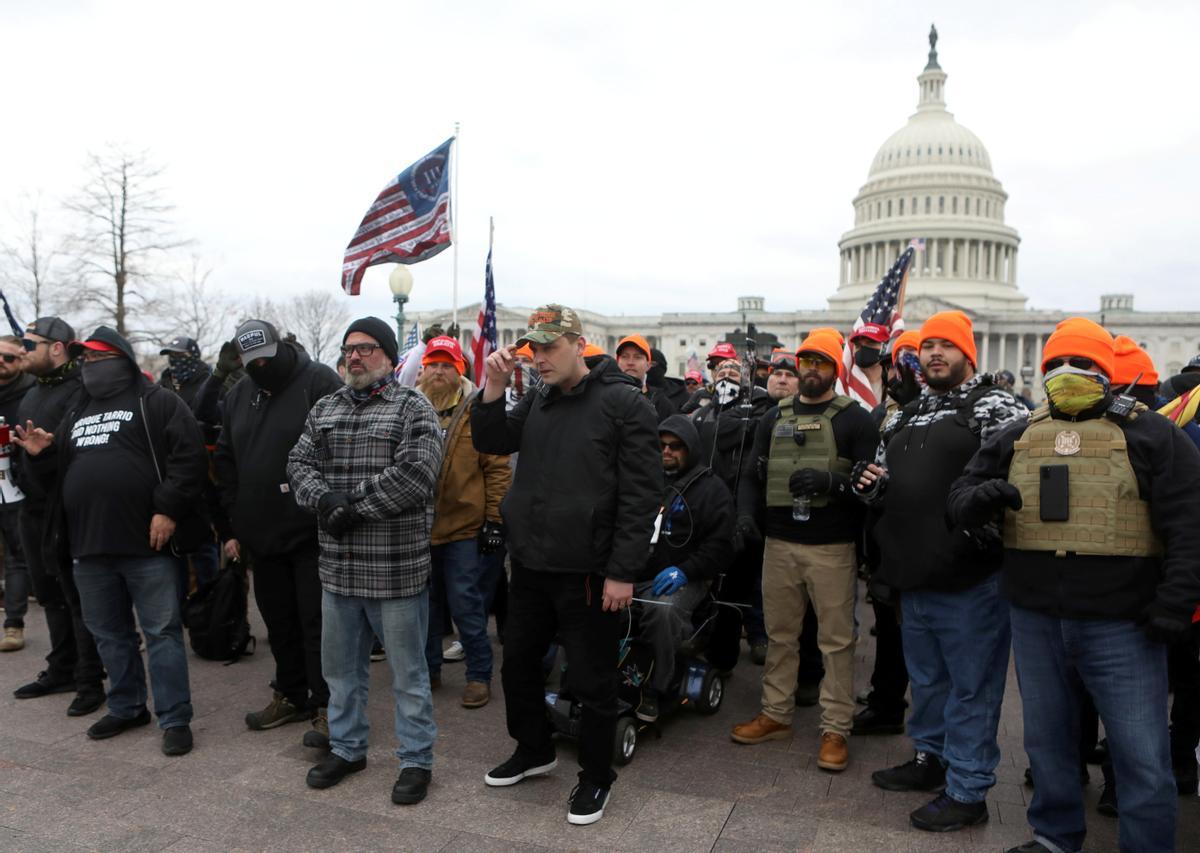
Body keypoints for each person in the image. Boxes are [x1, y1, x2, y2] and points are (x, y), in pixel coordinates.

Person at [947, 318, 1200, 853]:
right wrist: (980, 500)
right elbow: (960, 495)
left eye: (1082, 364)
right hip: (1037, 617)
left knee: (1141, 756)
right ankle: (1056, 836)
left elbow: (1189, 523)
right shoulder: (1018, 433)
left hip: (1124, 623)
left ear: (1106, 373)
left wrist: (1176, 601)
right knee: (1048, 744)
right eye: (1055, 365)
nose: (1067, 373)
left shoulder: (1152, 433)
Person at [471, 304, 661, 826]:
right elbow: (491, 440)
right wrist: (492, 386)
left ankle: (596, 777)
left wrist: (624, 570)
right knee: (518, 666)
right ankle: (534, 749)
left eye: (550, 346)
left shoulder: (623, 403)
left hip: (590, 571)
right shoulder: (537, 398)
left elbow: (643, 496)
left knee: (593, 681)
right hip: (531, 563)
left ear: (580, 345)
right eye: (533, 348)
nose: (539, 357)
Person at [855, 310, 1027, 833]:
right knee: (927, 680)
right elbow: (888, 475)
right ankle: (930, 759)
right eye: (927, 346)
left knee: (972, 686)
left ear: (967, 355)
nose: (934, 354)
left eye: (946, 347)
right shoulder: (905, 413)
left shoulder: (995, 406)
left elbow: (1018, 475)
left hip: (970, 574)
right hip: (914, 570)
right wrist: (872, 484)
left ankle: (969, 787)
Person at [15, 326, 209, 756]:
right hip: (88, 546)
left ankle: (175, 717)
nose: (90, 368)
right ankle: (126, 705)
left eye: (99, 360)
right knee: (108, 633)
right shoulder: (77, 411)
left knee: (161, 632)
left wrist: (168, 509)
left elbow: (189, 458)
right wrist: (42, 455)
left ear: (121, 360)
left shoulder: (157, 402)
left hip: (147, 545)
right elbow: (56, 482)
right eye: (86, 361)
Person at [286, 317, 442, 805]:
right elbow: (298, 465)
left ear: (389, 356)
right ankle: (347, 747)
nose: (355, 357)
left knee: (408, 675)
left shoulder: (412, 407)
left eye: (367, 348)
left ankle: (416, 760)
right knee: (341, 672)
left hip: (394, 570)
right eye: (349, 349)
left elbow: (416, 475)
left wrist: (346, 506)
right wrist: (322, 500)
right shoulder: (325, 408)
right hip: (339, 571)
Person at [730, 329, 878, 772]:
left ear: (836, 369)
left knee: (835, 642)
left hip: (832, 547)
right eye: (806, 361)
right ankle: (775, 713)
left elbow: (873, 484)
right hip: (779, 544)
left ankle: (835, 728)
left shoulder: (856, 420)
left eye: (822, 362)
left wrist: (833, 483)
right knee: (780, 635)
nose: (812, 369)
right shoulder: (773, 418)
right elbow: (753, 475)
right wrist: (745, 516)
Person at [214, 319, 342, 747]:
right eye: (251, 363)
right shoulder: (238, 394)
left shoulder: (317, 380)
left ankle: (328, 705)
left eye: (266, 359)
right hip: (260, 533)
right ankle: (290, 693)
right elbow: (226, 460)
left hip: (311, 532)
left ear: (281, 347)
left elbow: (340, 448)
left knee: (317, 623)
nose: (260, 368)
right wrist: (233, 521)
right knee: (278, 621)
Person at [11, 317, 106, 715]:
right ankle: (62, 666)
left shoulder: (81, 391)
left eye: (29, 345)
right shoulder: (33, 392)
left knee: (76, 597)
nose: (21, 351)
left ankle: (90, 679)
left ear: (57, 347)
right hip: (29, 509)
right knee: (49, 594)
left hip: (66, 511)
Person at [417, 335, 512, 709]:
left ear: (460, 370)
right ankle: (429, 669)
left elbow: (498, 468)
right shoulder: (410, 407)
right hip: (421, 528)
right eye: (433, 364)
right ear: (424, 369)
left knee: (467, 606)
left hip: (463, 528)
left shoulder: (479, 408)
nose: (439, 371)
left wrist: (493, 521)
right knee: (423, 608)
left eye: (447, 365)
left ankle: (478, 675)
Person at [633, 414, 733, 723]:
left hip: (687, 578)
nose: (667, 452)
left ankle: (658, 686)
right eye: (661, 445)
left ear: (691, 448)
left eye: (676, 446)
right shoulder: (642, 479)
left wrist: (686, 570)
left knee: (662, 610)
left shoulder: (712, 490)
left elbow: (720, 548)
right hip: (634, 572)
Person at [854, 328, 922, 735]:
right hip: (885, 533)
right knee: (889, 623)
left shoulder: (953, 410)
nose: (904, 369)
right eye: (901, 360)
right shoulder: (884, 412)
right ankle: (886, 699)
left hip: (928, 538)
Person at [691, 356, 773, 670]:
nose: (727, 375)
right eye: (722, 371)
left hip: (745, 506)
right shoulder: (702, 408)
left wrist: (737, 423)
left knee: (746, 583)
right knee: (708, 581)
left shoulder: (760, 403)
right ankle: (705, 636)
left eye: (735, 371)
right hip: (708, 507)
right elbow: (708, 437)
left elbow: (739, 432)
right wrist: (737, 423)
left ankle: (754, 637)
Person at [0, 335, 35, 652]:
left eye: (9, 358)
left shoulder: (31, 393)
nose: (1, 361)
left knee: (17, 556)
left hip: (17, 486)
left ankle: (13, 625)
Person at [616, 334, 676, 421]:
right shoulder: (604, 397)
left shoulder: (662, 403)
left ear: (648, 365)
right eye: (624, 357)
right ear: (617, 362)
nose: (630, 362)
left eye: (637, 357)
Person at [849, 323, 889, 404]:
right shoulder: (844, 383)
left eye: (870, 343)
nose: (863, 349)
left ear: (885, 347)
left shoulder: (894, 382)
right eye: (858, 345)